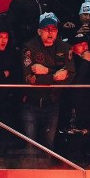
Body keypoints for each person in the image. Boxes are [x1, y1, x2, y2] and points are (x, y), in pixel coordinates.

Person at [20, 12, 75, 149]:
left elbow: (70, 75)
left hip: (52, 102)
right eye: (47, 29)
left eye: (53, 29)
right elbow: (30, 79)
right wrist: (55, 75)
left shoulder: (65, 47)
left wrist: (47, 72)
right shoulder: (29, 47)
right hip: (31, 103)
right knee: (30, 145)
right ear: (39, 31)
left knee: (48, 145)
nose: (50, 33)